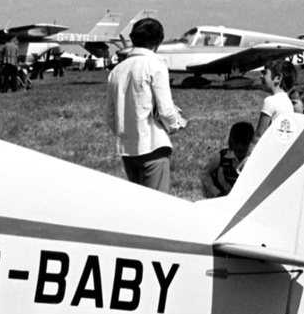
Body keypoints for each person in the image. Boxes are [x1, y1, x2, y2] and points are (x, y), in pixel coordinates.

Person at [105, 17, 186, 192]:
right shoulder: (156, 65)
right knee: (156, 207)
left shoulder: (117, 70)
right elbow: (165, 110)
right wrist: (175, 125)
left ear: (133, 39)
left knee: (138, 206)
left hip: (128, 151)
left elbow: (110, 116)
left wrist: (126, 133)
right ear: (159, 41)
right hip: (153, 146)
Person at [246, 58, 297, 158]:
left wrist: (248, 157)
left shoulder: (270, 101)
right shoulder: (288, 102)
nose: (261, 76)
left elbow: (259, 135)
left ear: (277, 78)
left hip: (270, 153)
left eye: (264, 73)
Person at [199, 121, 254, 198]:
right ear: (231, 141)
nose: (239, 147)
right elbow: (204, 174)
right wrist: (217, 192)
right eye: (236, 143)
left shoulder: (253, 159)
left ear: (251, 143)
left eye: (244, 143)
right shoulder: (220, 158)